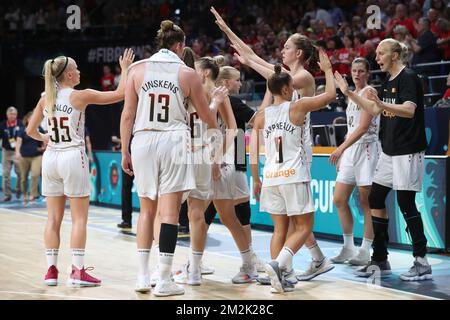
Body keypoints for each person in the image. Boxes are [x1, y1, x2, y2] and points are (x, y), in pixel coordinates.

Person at [211, 6, 334, 283]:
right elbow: (257, 61)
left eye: (287, 47)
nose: (282, 50)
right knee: (292, 217)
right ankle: (312, 260)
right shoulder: (286, 76)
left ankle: (289, 265)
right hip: (285, 152)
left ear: (299, 53)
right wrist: (228, 30)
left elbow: (266, 71)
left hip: (297, 150)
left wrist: (251, 59)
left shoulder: (301, 78)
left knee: (296, 218)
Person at [120, 20, 225, 296]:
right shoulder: (187, 72)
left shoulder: (136, 69)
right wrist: (216, 139)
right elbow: (206, 117)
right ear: (179, 45)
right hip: (173, 140)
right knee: (169, 213)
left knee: (146, 211)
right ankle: (164, 280)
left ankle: (143, 277)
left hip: (142, 139)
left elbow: (128, 114)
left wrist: (124, 150)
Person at [26, 49, 135, 287]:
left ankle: (51, 271)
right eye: (75, 69)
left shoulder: (46, 98)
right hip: (72, 157)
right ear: (67, 76)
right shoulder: (80, 96)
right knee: (78, 219)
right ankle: (76, 271)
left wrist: (46, 138)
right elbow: (120, 94)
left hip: (51, 157)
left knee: (53, 219)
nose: (79, 72)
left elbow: (30, 131)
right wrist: (125, 69)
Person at [335, 38, 432, 281]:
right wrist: (348, 93)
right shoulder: (388, 82)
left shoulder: (408, 77)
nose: (377, 58)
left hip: (408, 150)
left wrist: (379, 103)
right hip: (389, 151)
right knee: (375, 198)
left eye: (381, 54)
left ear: (395, 56)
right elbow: (376, 109)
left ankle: (421, 260)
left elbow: (409, 110)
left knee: (406, 203)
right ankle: (380, 257)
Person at [251, 50, 336, 293]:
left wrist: (256, 178)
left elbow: (254, 151)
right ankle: (278, 265)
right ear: (287, 90)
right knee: (304, 228)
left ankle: (281, 278)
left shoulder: (261, 116)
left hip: (270, 178)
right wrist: (328, 70)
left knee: (280, 229)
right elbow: (329, 95)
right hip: (293, 175)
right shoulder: (297, 107)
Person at [173, 55, 258, 286]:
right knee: (225, 218)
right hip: (210, 159)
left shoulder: (215, 94)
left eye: (196, 69)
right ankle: (246, 265)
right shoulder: (197, 92)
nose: (193, 71)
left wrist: (216, 158)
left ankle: (197, 268)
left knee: (198, 215)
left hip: (215, 161)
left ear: (205, 73)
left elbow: (232, 129)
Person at [328, 58, 380, 266]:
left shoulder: (369, 92)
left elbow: (363, 128)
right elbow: (351, 129)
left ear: (367, 73)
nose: (357, 74)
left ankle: (365, 250)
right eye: (354, 70)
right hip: (351, 151)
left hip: (367, 149)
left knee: (366, 201)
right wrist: (345, 152)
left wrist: (341, 148)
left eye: (361, 71)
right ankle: (348, 246)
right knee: (339, 199)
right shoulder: (352, 95)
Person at [15, 111, 46, 203]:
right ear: (27, 119)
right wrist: (17, 152)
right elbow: (18, 142)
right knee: (24, 178)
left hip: (36, 156)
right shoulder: (22, 130)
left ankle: (33, 195)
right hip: (24, 156)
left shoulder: (40, 128)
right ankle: (25, 195)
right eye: (31, 118)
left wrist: (43, 148)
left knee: (35, 175)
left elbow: (45, 140)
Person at [1, 106, 23, 201]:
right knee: (6, 174)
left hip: (17, 151)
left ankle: (18, 189)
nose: (12, 116)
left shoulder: (20, 123)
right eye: (11, 114)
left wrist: (18, 152)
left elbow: (19, 138)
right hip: (6, 152)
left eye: (14, 114)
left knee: (20, 173)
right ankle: (7, 195)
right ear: (7, 115)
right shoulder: (2, 124)